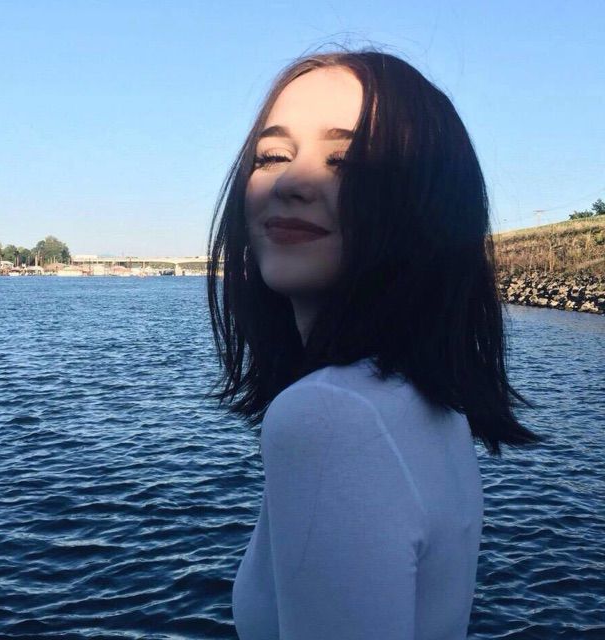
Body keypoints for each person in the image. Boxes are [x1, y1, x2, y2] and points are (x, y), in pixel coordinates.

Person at [205, 48, 547, 639]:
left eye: (346, 160)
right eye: (272, 156)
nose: (292, 181)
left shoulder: (330, 415)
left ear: (427, 204)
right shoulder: (426, 404)